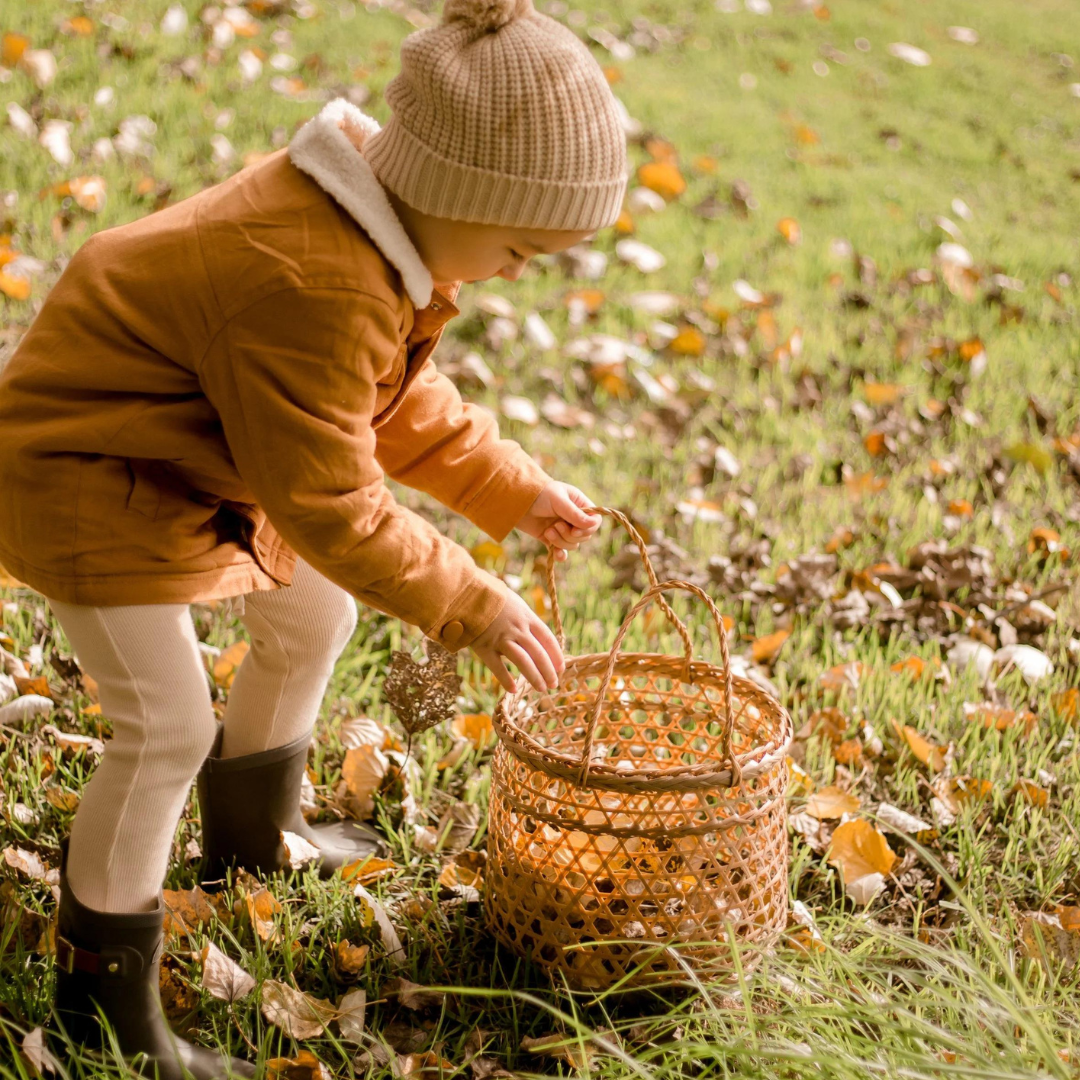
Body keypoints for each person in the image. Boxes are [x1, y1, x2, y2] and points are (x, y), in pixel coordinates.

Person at [0, 0, 627, 1073]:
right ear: (453, 193)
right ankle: (102, 997)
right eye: (522, 246)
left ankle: (248, 844)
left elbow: (391, 403)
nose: (522, 270)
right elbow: (333, 500)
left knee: (314, 609)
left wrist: (510, 490)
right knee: (161, 726)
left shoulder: (371, 237)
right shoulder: (314, 279)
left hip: (183, 457)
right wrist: (470, 600)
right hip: (84, 475)